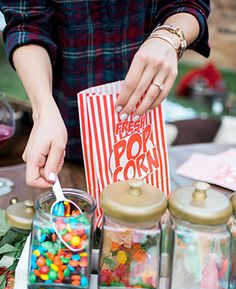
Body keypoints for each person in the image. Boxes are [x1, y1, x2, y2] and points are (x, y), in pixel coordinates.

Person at [0, 1, 210, 188]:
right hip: (67, 129)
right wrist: (43, 110)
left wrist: (167, 37)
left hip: (143, 131)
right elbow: (26, 24)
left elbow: (189, 3)